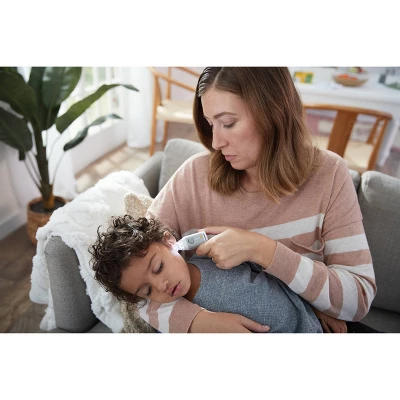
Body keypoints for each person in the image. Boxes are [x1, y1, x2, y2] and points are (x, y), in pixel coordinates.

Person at [143, 67, 377, 334]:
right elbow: (127, 276)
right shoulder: (193, 178)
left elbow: (358, 298)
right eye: (210, 124)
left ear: (273, 111)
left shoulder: (329, 174)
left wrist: (262, 250)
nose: (216, 142)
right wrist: (196, 322)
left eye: (228, 123)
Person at [90, 215, 347, 333]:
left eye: (158, 268)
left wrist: (316, 304)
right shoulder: (178, 323)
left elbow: (273, 272)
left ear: (170, 241)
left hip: (310, 321)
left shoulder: (212, 256)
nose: (161, 285)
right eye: (147, 290)